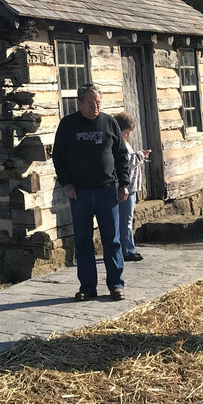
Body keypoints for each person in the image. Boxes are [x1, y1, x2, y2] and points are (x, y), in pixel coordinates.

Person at [53, 83, 130, 301]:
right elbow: (58, 157)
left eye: (98, 102)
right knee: (83, 240)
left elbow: (121, 155)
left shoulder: (109, 122)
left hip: (107, 191)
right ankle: (87, 287)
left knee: (111, 240)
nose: (95, 107)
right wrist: (66, 184)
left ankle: (116, 285)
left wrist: (124, 183)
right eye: (90, 103)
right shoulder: (68, 125)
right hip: (80, 193)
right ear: (79, 103)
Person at [113, 111, 149, 262]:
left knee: (125, 219)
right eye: (126, 133)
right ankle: (127, 250)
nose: (127, 136)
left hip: (131, 186)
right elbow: (126, 162)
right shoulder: (116, 145)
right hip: (125, 187)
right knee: (125, 220)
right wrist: (141, 155)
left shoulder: (124, 143)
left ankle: (126, 248)